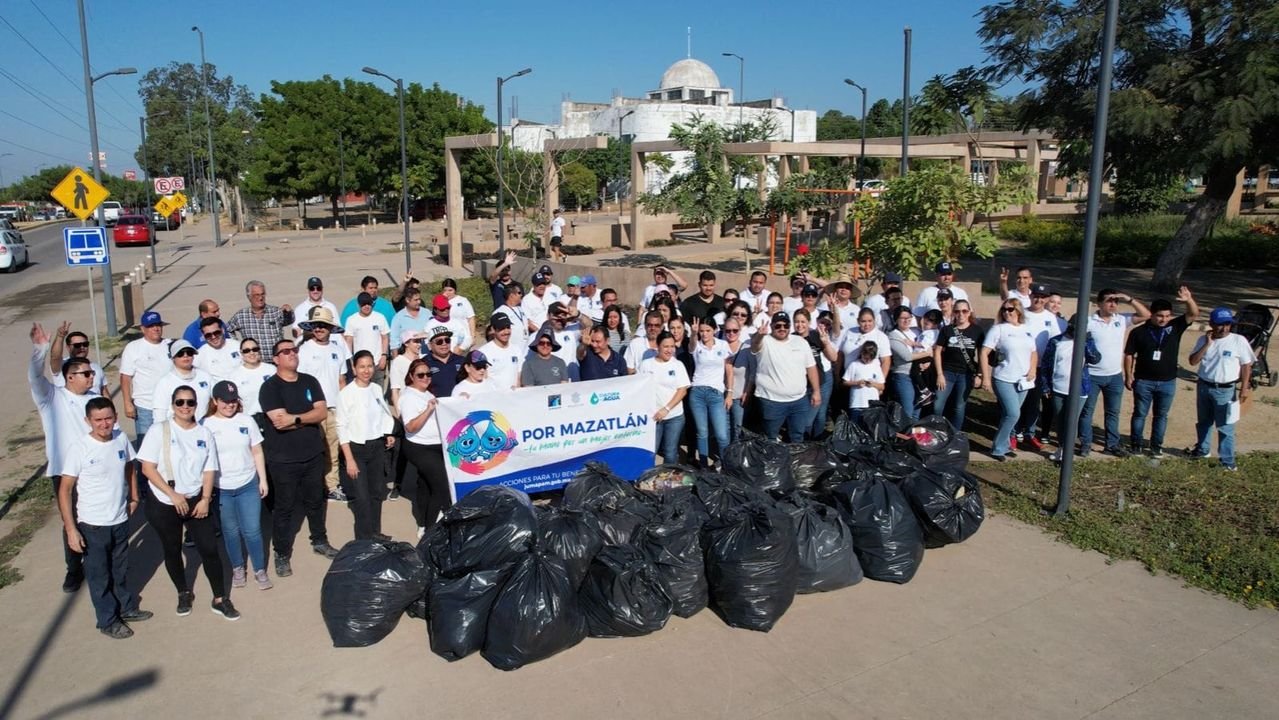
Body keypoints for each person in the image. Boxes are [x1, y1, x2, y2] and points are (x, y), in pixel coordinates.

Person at [138, 385, 239, 620]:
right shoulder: (158, 430)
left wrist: (205, 499)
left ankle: (220, 598)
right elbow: (148, 468)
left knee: (210, 549)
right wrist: (173, 496)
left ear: (197, 405)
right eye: (180, 402)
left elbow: (209, 468)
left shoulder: (203, 434)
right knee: (172, 549)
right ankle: (183, 592)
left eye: (190, 402)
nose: (185, 407)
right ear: (173, 405)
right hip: (165, 500)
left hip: (195, 500)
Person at [58, 397, 152, 638]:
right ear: (88, 421)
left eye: (108, 418)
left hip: (119, 519)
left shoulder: (120, 438)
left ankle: (127, 608)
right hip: (93, 524)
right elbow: (65, 489)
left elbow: (130, 466)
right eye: (98, 420)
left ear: (115, 418)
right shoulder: (79, 448)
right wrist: (71, 529)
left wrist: (134, 496)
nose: (104, 424)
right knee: (99, 575)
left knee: (119, 570)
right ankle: (107, 620)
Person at [29, 323, 101, 593]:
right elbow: (35, 376)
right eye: (86, 373)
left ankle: (98, 564)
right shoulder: (51, 397)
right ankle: (74, 569)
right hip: (65, 471)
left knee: (95, 520)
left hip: (95, 470)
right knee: (70, 520)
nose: (91, 377)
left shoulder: (94, 399)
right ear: (69, 377)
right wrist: (40, 349)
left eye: (91, 372)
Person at [259, 338, 339, 578]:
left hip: (313, 454)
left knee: (316, 501)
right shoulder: (270, 388)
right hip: (283, 460)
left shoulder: (309, 381)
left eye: (294, 349)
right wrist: (306, 417)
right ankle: (281, 553)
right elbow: (278, 422)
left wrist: (295, 419)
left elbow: (322, 412)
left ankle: (320, 540)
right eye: (285, 351)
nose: (292, 353)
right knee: (284, 508)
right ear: (275, 359)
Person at [201, 381, 272, 591]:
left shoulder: (246, 420)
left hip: (247, 484)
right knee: (230, 531)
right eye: (225, 401)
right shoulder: (205, 425)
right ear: (215, 401)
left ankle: (260, 569)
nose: (230, 405)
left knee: (252, 530)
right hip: (221, 488)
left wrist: (263, 479)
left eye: (233, 401)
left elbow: (257, 451)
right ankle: (238, 567)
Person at [1124, 286, 1199, 457]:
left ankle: (1156, 446)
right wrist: (1128, 375)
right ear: (1152, 314)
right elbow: (1129, 355)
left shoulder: (1175, 326)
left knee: (1161, 416)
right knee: (1140, 414)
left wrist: (1189, 300)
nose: (1163, 319)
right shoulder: (1139, 332)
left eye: (1167, 316)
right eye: (1159, 316)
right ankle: (1136, 444)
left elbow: (1193, 314)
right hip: (1143, 381)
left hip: (1168, 381)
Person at [1080, 288, 1151, 457]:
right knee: (1087, 411)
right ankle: (1085, 444)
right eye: (1109, 301)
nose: (1113, 304)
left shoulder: (1122, 319)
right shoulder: (1089, 321)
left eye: (1115, 301)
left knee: (1113, 412)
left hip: (1114, 376)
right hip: (1092, 374)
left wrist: (1129, 298)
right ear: (1099, 303)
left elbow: (1146, 315)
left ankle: (1112, 445)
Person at [336, 351, 396, 540]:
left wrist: (388, 433)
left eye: (369, 366)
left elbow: (385, 413)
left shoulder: (376, 389)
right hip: (356, 450)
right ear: (354, 368)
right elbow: (341, 427)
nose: (366, 370)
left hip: (377, 447)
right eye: (361, 366)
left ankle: (375, 533)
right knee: (361, 498)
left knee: (376, 494)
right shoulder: (346, 394)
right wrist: (350, 460)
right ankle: (363, 540)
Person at [1186, 307, 1254, 471]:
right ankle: (1202, 450)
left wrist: (1244, 388)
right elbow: (1193, 362)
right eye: (1220, 324)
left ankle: (1228, 462)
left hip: (1225, 390)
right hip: (1204, 386)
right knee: (1203, 422)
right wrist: (1207, 345)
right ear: (1211, 324)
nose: (1224, 328)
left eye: (1227, 324)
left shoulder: (1239, 340)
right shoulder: (1203, 339)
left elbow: (1246, 365)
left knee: (1225, 427)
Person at [297, 307, 350, 501]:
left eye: (323, 325)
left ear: (330, 328)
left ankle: (332, 486)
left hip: (334, 408)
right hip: (311, 409)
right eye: (316, 325)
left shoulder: (337, 350)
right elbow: (299, 381)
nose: (319, 329)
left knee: (332, 450)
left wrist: (345, 407)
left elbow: (341, 380)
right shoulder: (303, 350)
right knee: (312, 451)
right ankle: (312, 487)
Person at [981, 299, 1039, 461]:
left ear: (1018, 311)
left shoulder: (1026, 329)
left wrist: (1033, 369)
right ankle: (998, 448)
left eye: (1011, 309)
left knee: (1009, 414)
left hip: (1023, 380)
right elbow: (984, 352)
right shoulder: (998, 329)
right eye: (1004, 309)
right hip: (1003, 378)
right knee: (1013, 413)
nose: (1007, 312)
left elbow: (1033, 352)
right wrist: (985, 376)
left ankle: (1005, 445)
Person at [398, 358, 448, 538]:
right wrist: (427, 410)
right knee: (441, 486)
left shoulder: (427, 393)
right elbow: (410, 427)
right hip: (419, 447)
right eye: (421, 375)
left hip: (435, 445)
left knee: (427, 486)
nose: (426, 377)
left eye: (428, 374)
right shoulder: (408, 397)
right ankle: (431, 528)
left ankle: (423, 524)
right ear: (411, 376)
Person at [751, 311, 821, 441]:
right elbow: (755, 346)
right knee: (770, 437)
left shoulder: (800, 342)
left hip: (799, 400)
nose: (782, 328)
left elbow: (811, 367)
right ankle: (772, 461)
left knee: (798, 435)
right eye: (778, 326)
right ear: (771, 326)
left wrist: (816, 391)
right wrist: (759, 335)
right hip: (772, 401)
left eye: (786, 325)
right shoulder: (764, 341)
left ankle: (795, 461)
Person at [1041, 317, 1101, 463]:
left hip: (1079, 389)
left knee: (1071, 421)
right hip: (1058, 387)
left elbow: (1095, 359)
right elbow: (1046, 365)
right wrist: (1045, 386)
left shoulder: (1087, 341)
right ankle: (1062, 448)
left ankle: (1067, 453)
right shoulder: (1056, 341)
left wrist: (1086, 342)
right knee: (1060, 420)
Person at [1014, 284, 1063, 450]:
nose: (1039, 299)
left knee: (1034, 402)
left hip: (1041, 367)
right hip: (1021, 365)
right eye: (1036, 296)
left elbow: (1056, 341)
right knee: (1019, 401)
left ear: (1046, 299)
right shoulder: (1022, 314)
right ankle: (1015, 432)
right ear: (1031, 296)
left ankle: (1030, 432)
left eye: (1042, 297)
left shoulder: (1050, 317)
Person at [120, 310, 173, 442]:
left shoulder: (170, 344)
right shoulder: (133, 348)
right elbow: (125, 377)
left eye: (158, 325)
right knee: (146, 444)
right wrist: (127, 403)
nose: (156, 328)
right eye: (151, 326)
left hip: (170, 406)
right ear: (143, 329)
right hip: (145, 407)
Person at [686, 317, 732, 466]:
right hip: (698, 391)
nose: (704, 334)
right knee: (702, 432)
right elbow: (691, 347)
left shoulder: (723, 345)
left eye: (708, 331)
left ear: (715, 330)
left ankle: (725, 464)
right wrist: (693, 334)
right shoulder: (697, 345)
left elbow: (729, 371)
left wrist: (729, 393)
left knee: (722, 434)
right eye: (702, 331)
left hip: (716, 393)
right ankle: (704, 465)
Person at [640, 332, 691, 463]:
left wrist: (666, 409)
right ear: (658, 346)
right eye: (666, 346)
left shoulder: (678, 365)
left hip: (674, 416)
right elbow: (639, 388)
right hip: (653, 417)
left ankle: (669, 479)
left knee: (670, 452)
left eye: (672, 346)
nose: (669, 350)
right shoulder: (646, 364)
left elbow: (682, 390)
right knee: (651, 451)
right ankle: (647, 478)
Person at [934, 300, 985, 431]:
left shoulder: (977, 331)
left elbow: (981, 354)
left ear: (969, 312)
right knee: (938, 404)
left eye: (964, 311)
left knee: (959, 406)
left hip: (966, 374)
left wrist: (980, 374)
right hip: (947, 372)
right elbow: (937, 351)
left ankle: (955, 434)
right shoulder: (947, 330)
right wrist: (940, 374)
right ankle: (938, 430)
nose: (961, 314)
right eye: (957, 311)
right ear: (953, 312)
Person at [793, 309, 839, 439]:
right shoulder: (790, 338)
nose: (800, 325)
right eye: (797, 322)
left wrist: (825, 342)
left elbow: (833, 357)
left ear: (808, 322)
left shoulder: (816, 336)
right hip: (800, 385)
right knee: (805, 420)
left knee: (818, 415)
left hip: (819, 383)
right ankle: (804, 445)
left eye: (803, 322)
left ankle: (817, 442)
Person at [151, 340, 214, 423]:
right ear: (173, 357)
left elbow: (216, 400)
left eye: (189, 353)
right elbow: (159, 414)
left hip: (202, 428)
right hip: (175, 430)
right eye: (180, 353)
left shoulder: (205, 376)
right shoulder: (165, 382)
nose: (186, 356)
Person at [887, 306, 932, 421]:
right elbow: (906, 357)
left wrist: (927, 361)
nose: (906, 320)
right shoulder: (893, 335)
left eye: (909, 317)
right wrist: (928, 353)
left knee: (917, 411)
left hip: (919, 376)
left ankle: (913, 436)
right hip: (903, 375)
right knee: (908, 411)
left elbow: (929, 346)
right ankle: (905, 436)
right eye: (902, 318)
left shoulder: (917, 332)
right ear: (896, 319)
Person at [343, 292, 391, 386]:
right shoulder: (351, 320)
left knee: (378, 391)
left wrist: (384, 356)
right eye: (363, 304)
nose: (366, 306)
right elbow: (349, 342)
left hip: (377, 362)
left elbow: (385, 338)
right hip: (360, 364)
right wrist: (352, 364)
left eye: (369, 303)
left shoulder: (380, 317)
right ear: (358, 305)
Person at [226, 280, 294, 345]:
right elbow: (227, 330)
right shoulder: (241, 316)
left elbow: (289, 321)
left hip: (275, 356)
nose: (260, 298)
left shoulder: (275, 312)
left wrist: (288, 312)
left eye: (262, 294)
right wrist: (237, 345)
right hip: (254, 356)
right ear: (249, 296)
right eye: (257, 295)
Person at [49, 325, 107, 395]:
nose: (82, 347)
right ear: (68, 347)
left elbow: (104, 392)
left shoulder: (96, 368)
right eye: (77, 345)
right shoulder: (62, 366)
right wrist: (60, 337)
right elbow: (55, 357)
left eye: (85, 344)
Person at [230, 337, 276, 423]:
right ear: (241, 353)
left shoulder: (272, 369)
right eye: (247, 351)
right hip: (250, 419)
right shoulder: (234, 376)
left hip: (273, 417)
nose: (252, 353)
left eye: (255, 349)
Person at [838, 308, 892, 380]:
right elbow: (841, 354)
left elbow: (886, 361)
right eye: (863, 321)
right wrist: (837, 374)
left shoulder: (881, 336)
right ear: (858, 321)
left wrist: (881, 382)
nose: (867, 324)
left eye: (870, 321)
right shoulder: (849, 332)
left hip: (870, 380)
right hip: (848, 377)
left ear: (874, 320)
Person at [723, 315, 754, 440]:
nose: (731, 333)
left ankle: (736, 455)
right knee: (724, 430)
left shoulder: (746, 348)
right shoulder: (720, 346)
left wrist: (747, 392)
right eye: (728, 331)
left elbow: (752, 372)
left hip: (739, 395)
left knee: (737, 429)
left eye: (734, 330)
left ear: (740, 331)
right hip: (722, 394)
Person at [545, 301, 591, 381]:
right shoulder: (540, 335)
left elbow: (589, 325)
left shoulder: (571, 331)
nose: (560, 318)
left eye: (563, 315)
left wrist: (578, 315)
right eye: (556, 315)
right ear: (548, 316)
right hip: (551, 382)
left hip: (573, 382)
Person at [842, 342, 886, 424]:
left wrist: (873, 384)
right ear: (861, 353)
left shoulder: (876, 366)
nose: (867, 360)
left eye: (870, 359)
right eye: (865, 358)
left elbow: (882, 386)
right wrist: (856, 383)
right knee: (856, 426)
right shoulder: (854, 365)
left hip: (872, 405)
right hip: (857, 403)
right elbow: (845, 382)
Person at [477, 315, 523, 391]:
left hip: (515, 398)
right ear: (492, 329)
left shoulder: (516, 349)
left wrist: (517, 390)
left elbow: (519, 375)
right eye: (501, 329)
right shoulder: (483, 352)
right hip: (494, 399)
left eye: (508, 327)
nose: (506, 332)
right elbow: (482, 380)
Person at [193, 316, 241, 382]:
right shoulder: (199, 355)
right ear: (203, 335)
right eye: (208, 335)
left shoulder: (238, 346)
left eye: (216, 333)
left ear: (222, 330)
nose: (213, 337)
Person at [423, 324, 466, 397]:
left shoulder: (462, 361)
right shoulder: (423, 364)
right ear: (430, 345)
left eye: (447, 340)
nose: (444, 343)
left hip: (462, 405)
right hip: (437, 406)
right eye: (439, 341)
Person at [291, 276, 338, 340]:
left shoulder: (331, 306)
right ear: (308, 290)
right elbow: (296, 331)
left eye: (318, 288)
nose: (315, 291)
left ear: (322, 289)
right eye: (312, 288)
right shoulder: (300, 308)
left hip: (329, 344)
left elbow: (337, 328)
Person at [491, 281, 531, 350]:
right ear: (511, 295)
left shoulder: (521, 309)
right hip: (510, 350)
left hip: (525, 349)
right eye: (519, 293)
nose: (521, 295)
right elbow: (494, 333)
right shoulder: (500, 312)